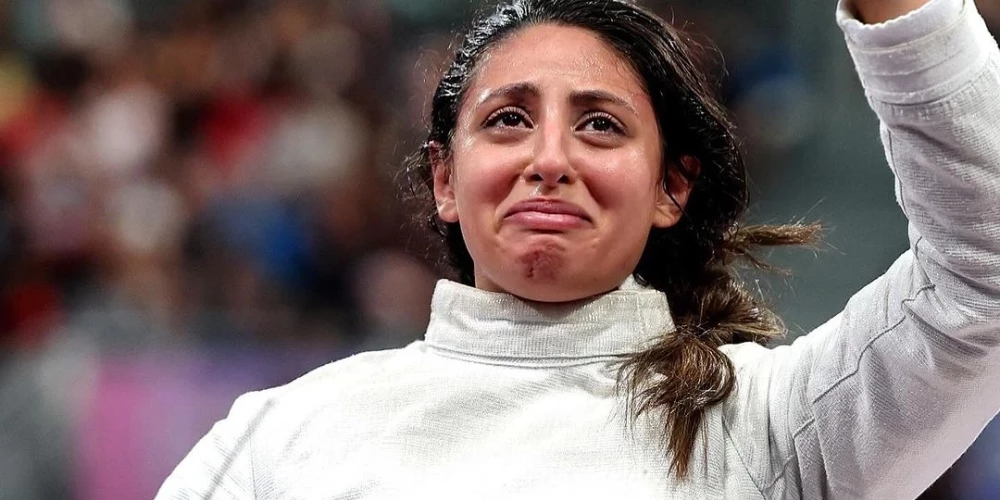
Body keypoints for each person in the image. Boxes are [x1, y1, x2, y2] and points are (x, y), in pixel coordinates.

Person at [156, 0, 1000, 497]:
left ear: (671, 187)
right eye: (507, 120)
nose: (549, 159)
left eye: (599, 124)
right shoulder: (284, 435)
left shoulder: (773, 424)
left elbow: (984, 275)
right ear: (446, 179)